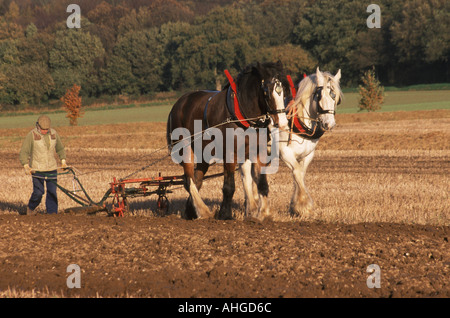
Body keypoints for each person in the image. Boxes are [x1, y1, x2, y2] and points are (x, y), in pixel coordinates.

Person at [19, 115, 68, 215]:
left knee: (52, 192)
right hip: (37, 169)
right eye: (43, 129)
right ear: (38, 126)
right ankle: (31, 208)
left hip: (51, 168)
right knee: (38, 192)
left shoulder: (54, 133)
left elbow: (60, 148)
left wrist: (63, 161)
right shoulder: (32, 135)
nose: (45, 131)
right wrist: (25, 165)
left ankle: (52, 213)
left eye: (47, 129)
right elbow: (24, 151)